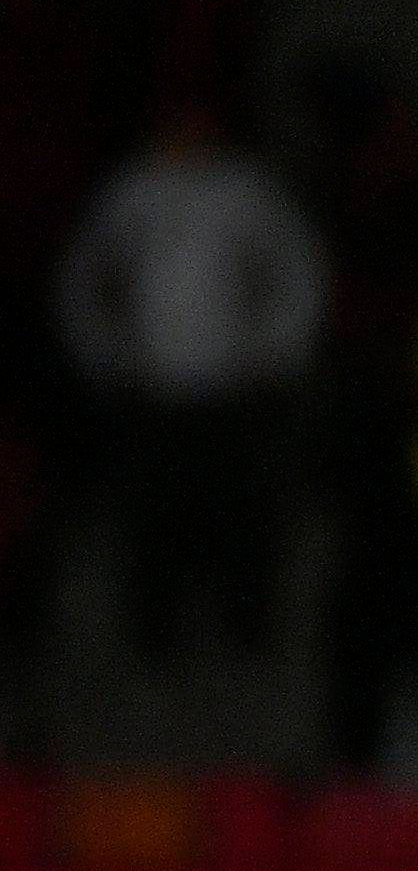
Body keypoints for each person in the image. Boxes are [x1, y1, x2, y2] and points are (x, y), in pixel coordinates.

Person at [52, 97, 326, 666]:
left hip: (230, 388)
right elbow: (86, 278)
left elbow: (298, 270)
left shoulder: (247, 190)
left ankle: (244, 631)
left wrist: (276, 353)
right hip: (154, 389)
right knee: (155, 517)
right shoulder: (131, 191)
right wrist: (104, 355)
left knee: (238, 512)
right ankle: (157, 633)